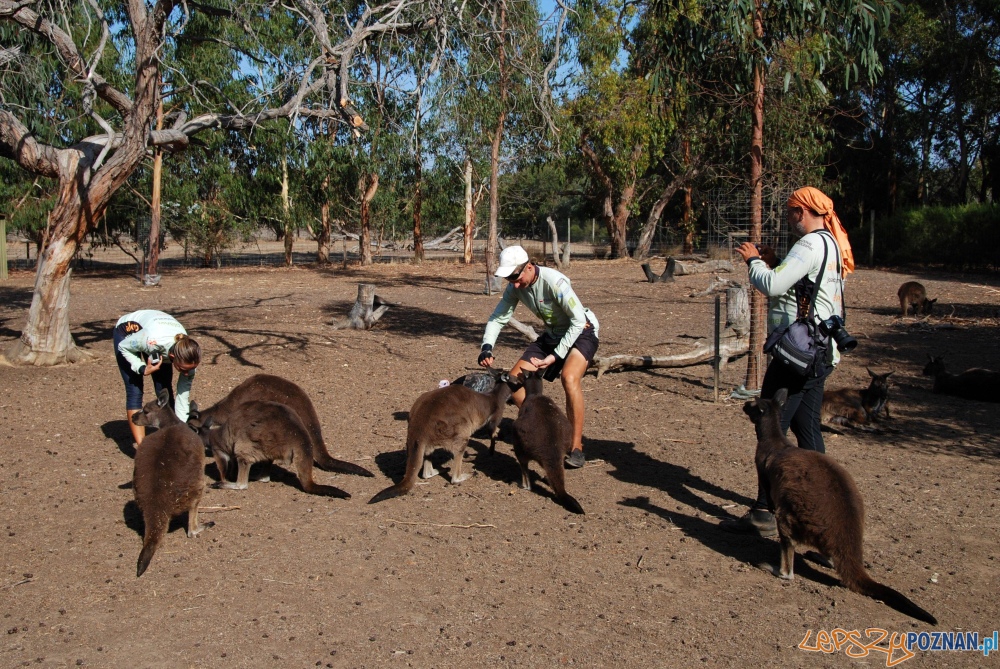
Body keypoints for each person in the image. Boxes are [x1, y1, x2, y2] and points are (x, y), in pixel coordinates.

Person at [724, 186, 854, 536]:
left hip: (797, 357)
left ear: (802, 211)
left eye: (790, 211)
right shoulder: (830, 242)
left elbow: (772, 285)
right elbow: (804, 285)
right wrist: (776, 260)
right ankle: (825, 507)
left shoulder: (809, 244)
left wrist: (754, 261)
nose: (788, 218)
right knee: (808, 430)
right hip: (820, 353)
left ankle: (764, 511)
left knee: (771, 430)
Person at [478, 246, 599, 468]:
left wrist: (555, 356)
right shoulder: (515, 287)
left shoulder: (554, 282)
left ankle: (576, 446)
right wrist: (487, 346)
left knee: (569, 378)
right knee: (513, 383)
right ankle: (546, 428)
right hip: (553, 334)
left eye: (516, 277)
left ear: (529, 267)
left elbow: (578, 321)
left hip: (581, 331)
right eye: (509, 279)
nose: (514, 284)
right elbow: (498, 317)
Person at [114, 309, 201, 447]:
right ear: (172, 357)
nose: (187, 373)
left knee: (164, 389)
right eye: (183, 369)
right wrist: (142, 368)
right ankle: (143, 450)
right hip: (127, 335)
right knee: (135, 390)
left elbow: (182, 398)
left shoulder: (188, 356)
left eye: (190, 369)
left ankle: (175, 440)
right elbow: (123, 346)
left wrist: (184, 431)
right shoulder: (151, 340)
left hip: (155, 339)